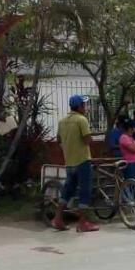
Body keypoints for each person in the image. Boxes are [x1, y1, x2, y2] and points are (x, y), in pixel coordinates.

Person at [52, 95, 99, 232]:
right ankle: (82, 223)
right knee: (85, 191)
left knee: (68, 190)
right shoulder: (81, 120)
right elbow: (87, 140)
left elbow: (58, 140)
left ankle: (57, 218)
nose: (85, 107)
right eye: (84, 105)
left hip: (69, 162)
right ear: (79, 107)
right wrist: (90, 137)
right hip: (82, 161)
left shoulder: (62, 122)